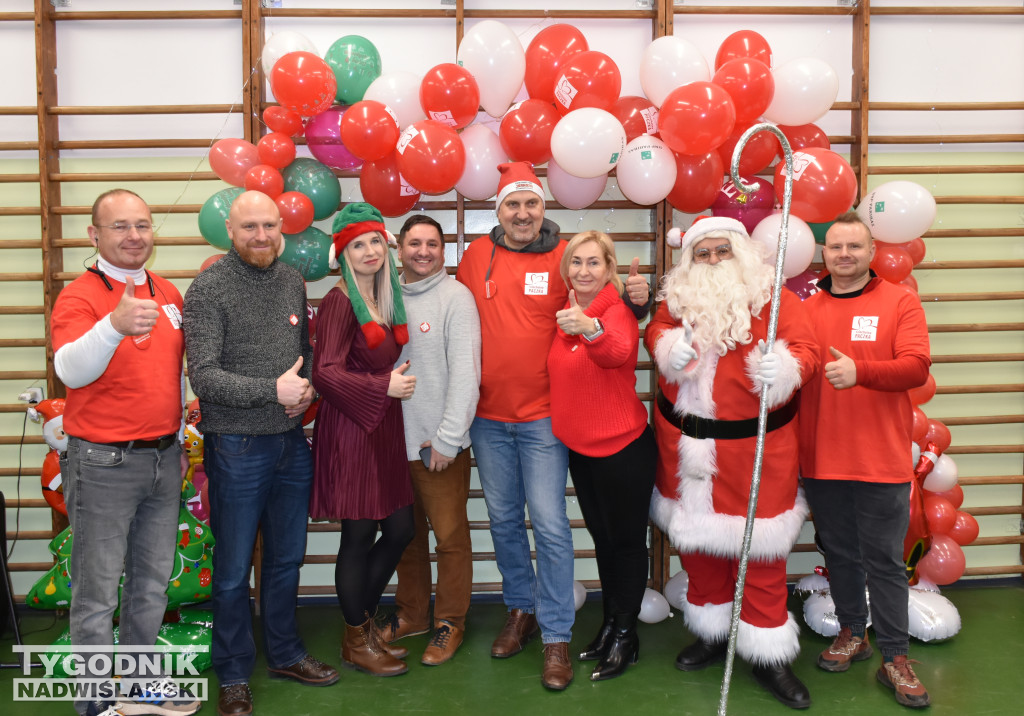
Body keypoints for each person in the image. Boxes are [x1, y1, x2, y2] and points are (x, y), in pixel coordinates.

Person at [455, 162, 650, 690]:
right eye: (512, 205)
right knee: (501, 522)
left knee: (549, 525)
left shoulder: (565, 261)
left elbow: (605, 315)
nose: (522, 213)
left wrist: (642, 300)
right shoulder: (476, 257)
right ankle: (521, 608)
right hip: (487, 418)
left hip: (544, 420)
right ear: (498, 211)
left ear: (544, 208)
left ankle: (558, 635)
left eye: (531, 203)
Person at [646, 216, 819, 710]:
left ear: (741, 253)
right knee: (699, 549)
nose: (714, 260)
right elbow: (657, 329)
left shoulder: (776, 298)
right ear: (690, 260)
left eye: (723, 251)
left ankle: (768, 654)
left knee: (759, 552)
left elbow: (807, 348)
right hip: (685, 452)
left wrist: (785, 367)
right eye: (704, 253)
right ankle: (711, 631)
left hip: (756, 452)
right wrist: (666, 347)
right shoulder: (677, 297)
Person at [183, 191, 338, 716]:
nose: (262, 236)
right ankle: (232, 672)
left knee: (286, 559)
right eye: (250, 226)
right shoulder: (208, 288)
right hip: (237, 447)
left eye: (270, 225)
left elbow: (307, 355)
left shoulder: (293, 280)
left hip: (292, 444)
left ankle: (285, 653)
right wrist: (272, 391)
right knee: (231, 571)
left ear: (282, 228)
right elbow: (203, 376)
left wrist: (309, 385)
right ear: (230, 229)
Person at [52, 189, 198, 716]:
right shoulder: (80, 297)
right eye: (120, 227)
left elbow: (170, 378)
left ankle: (140, 685)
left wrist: (179, 440)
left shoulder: (169, 294)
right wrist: (112, 327)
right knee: (97, 595)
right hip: (102, 465)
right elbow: (70, 370)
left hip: (162, 461)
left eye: (142, 225)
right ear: (95, 236)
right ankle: (93, 704)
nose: (134, 236)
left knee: (151, 587)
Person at [799, 212, 932, 709]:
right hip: (822, 459)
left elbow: (916, 366)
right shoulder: (806, 307)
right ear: (824, 253)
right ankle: (854, 632)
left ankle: (895, 657)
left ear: (871, 251)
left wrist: (862, 372)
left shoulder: (900, 301)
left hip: (880, 459)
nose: (844, 255)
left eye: (854, 246)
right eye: (835, 247)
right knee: (840, 554)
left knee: (885, 562)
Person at [309, 202, 416, 677]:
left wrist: (386, 390)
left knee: (400, 529)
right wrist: (383, 386)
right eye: (358, 244)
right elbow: (325, 373)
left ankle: (363, 625)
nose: (370, 251)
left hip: (384, 428)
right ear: (343, 254)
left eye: (375, 241)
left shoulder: (387, 295)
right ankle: (357, 637)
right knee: (358, 536)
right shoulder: (337, 301)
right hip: (351, 429)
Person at [546, 230, 656, 682]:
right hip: (582, 451)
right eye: (576, 262)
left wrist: (590, 329)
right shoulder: (570, 312)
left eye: (594, 262)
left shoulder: (615, 311)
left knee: (627, 544)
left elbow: (618, 352)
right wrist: (580, 323)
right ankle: (611, 623)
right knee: (604, 542)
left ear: (609, 269)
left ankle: (627, 637)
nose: (584, 271)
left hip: (623, 449)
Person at [380, 214, 481, 666]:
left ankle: (450, 622)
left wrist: (448, 438)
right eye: (414, 243)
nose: (424, 251)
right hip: (390, 444)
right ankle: (413, 614)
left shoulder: (456, 298)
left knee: (451, 538)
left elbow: (466, 375)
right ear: (398, 249)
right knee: (406, 538)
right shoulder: (382, 295)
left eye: (433, 244)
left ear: (444, 251)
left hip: (438, 446)